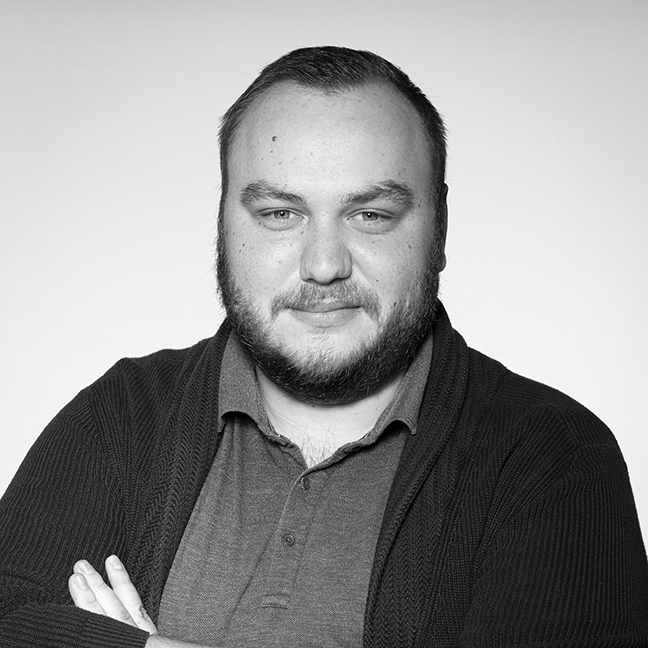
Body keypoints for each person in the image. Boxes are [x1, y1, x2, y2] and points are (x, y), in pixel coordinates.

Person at [0, 46, 647, 648]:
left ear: (440, 226)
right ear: (222, 221)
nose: (324, 265)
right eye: (280, 214)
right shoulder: (124, 413)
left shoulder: (552, 454)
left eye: (371, 215)